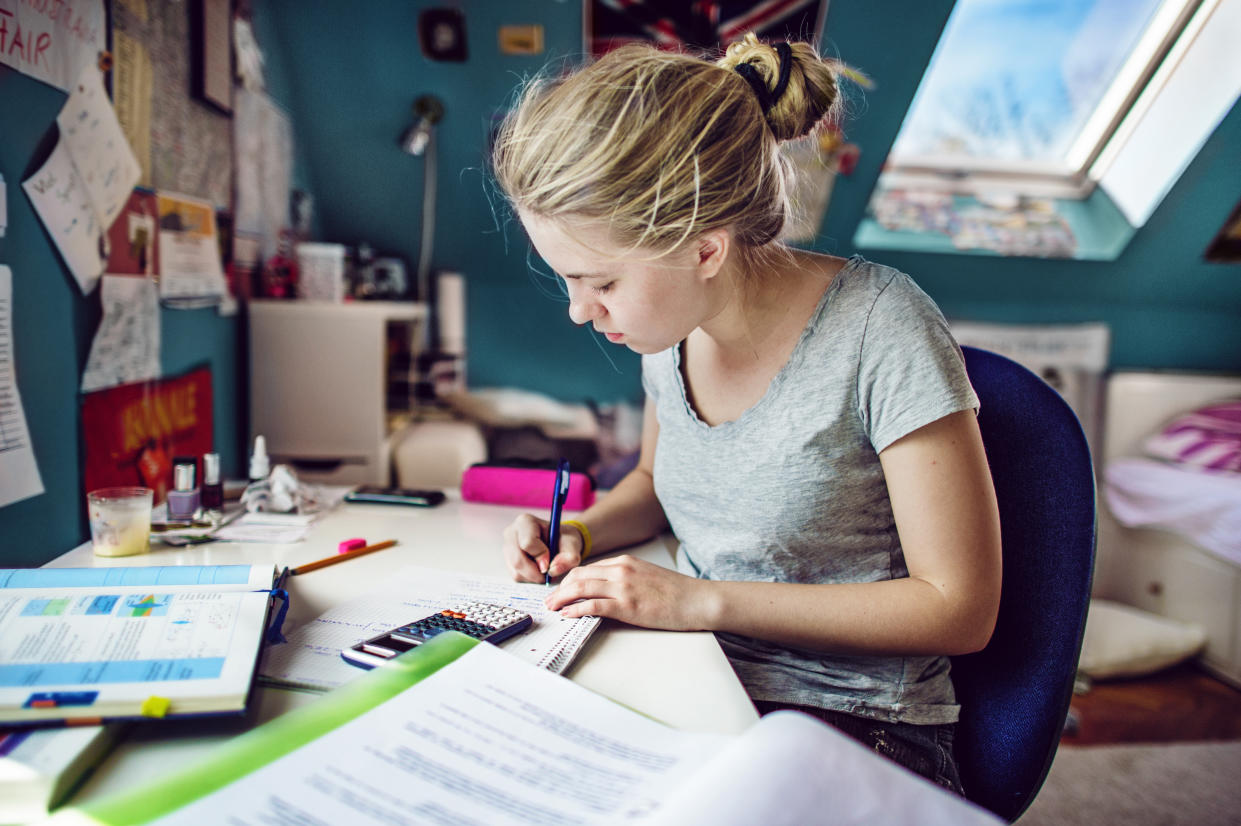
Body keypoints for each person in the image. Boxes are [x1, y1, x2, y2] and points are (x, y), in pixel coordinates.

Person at [492, 33, 1002, 795]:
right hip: (692, 674)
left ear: (703, 250)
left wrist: (701, 601)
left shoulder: (880, 326)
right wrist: (581, 534)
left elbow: (958, 608)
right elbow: (653, 484)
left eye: (597, 281)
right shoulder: (663, 329)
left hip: (856, 723)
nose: (577, 311)